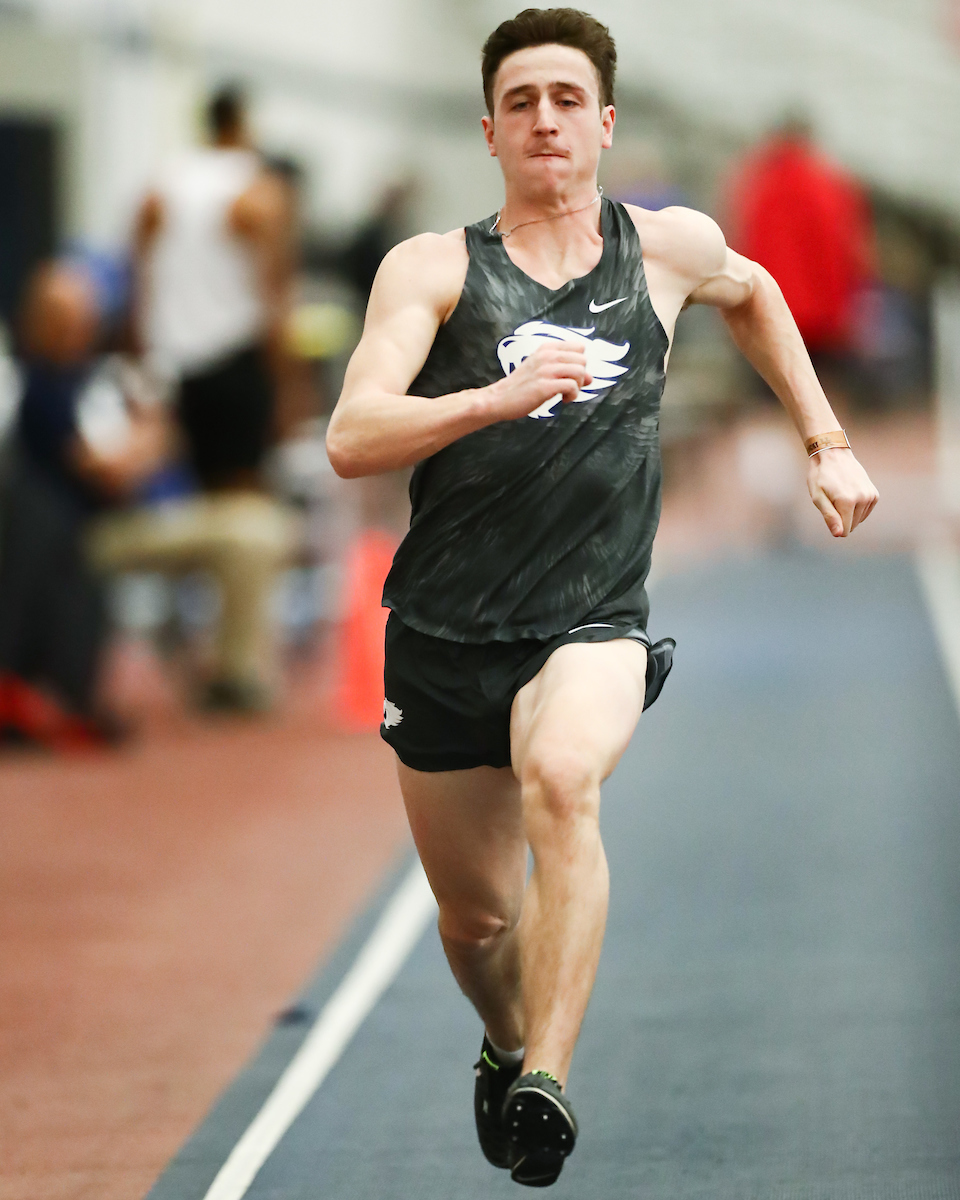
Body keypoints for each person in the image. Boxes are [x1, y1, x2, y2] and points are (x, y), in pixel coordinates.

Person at [326, 8, 879, 1187]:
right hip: (442, 634)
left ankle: (547, 1084)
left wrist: (826, 441)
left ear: (606, 123)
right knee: (478, 926)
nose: (545, 121)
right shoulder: (431, 269)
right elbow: (352, 436)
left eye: (566, 100)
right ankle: (506, 1041)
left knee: (566, 781)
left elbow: (759, 289)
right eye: (521, 101)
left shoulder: (667, 247)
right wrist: (493, 397)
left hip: (593, 617)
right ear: (489, 130)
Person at [126, 86, 300, 710]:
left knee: (199, 518)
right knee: (244, 519)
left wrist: (146, 353)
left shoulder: (162, 183)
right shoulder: (258, 188)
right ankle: (237, 664)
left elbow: (138, 271)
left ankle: (194, 643)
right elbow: (275, 290)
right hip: (235, 361)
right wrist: (286, 383)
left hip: (176, 365)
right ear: (243, 125)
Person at [0, 262, 166, 747]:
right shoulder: (38, 387)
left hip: (131, 521)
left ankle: (56, 692)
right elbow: (107, 471)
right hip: (73, 528)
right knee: (47, 532)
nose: (77, 327)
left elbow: (162, 440)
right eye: (63, 316)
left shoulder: (105, 376)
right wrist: (143, 445)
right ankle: (50, 691)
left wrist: (144, 445)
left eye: (83, 316)